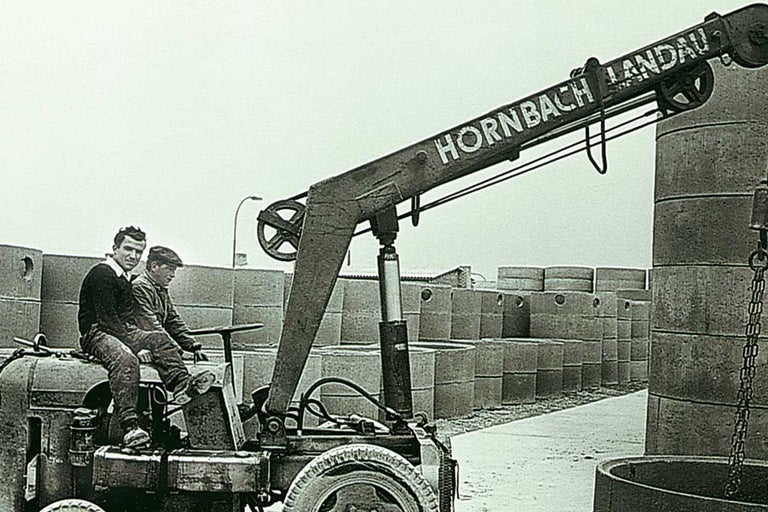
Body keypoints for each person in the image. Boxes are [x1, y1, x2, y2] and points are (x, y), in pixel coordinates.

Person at [77, 226, 215, 449]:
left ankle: (180, 384)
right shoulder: (102, 274)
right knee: (125, 359)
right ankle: (130, 427)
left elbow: (132, 322)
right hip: (97, 332)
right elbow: (108, 320)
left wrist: (183, 344)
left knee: (159, 339)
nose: (133, 256)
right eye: (128, 249)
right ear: (115, 248)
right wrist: (134, 348)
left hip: (120, 330)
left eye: (138, 252)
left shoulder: (124, 278)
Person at [131, 246, 207, 362]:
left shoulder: (159, 288)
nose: (173, 275)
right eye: (169, 269)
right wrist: (179, 352)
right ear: (154, 266)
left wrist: (193, 346)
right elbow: (151, 325)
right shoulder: (140, 286)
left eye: (174, 271)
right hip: (142, 347)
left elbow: (173, 320)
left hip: (158, 343)